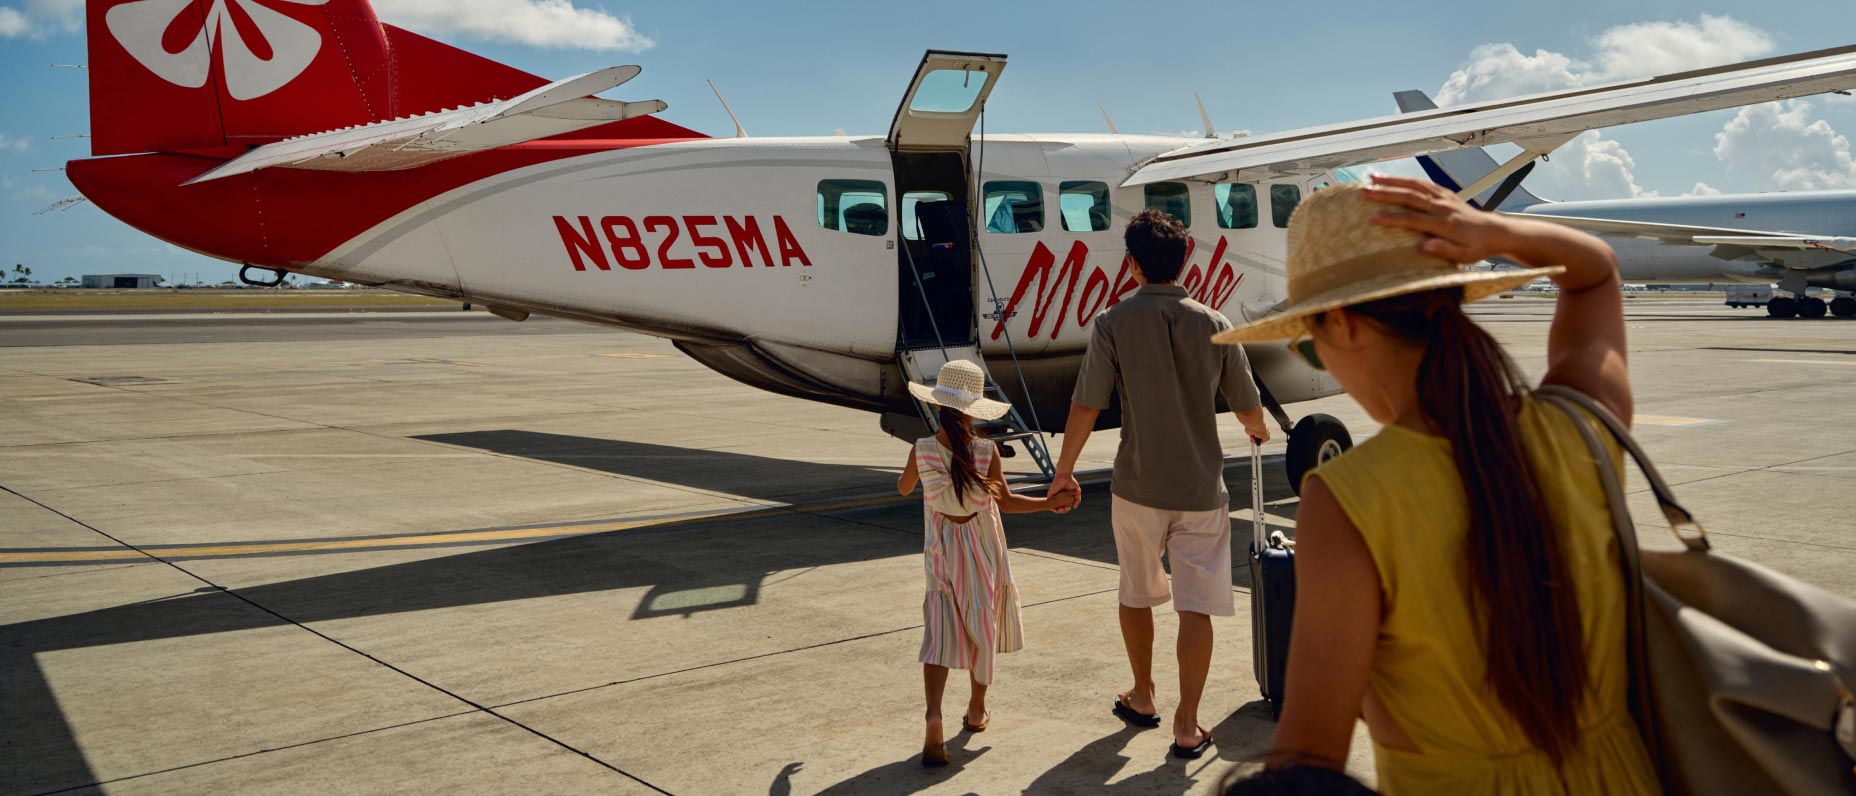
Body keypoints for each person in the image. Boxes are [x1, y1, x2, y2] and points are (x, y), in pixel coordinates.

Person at [1211, 178, 1655, 793]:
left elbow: (1310, 751)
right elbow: (1595, 271)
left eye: (1309, 346)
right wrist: (1494, 233)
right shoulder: (1581, 422)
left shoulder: (1346, 499)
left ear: (1341, 324)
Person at [1050, 209, 1272, 759]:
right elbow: (1248, 406)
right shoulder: (1216, 323)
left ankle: (1143, 694)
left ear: (1132, 266)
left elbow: (1086, 405)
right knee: (1195, 606)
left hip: (1137, 486)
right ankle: (1187, 724)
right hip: (1200, 490)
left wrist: (1064, 470)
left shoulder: (1111, 323)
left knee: (1137, 592)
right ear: (1185, 261)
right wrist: (1257, 428)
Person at [896, 359, 1073, 767]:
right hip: (981, 550)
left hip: (941, 552)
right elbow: (1006, 503)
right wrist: (1050, 502)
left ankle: (933, 715)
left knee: (939, 631)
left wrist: (920, 476)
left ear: (938, 406)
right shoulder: (985, 451)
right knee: (982, 624)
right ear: (976, 409)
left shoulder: (921, 450)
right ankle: (976, 710)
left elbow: (905, 488)